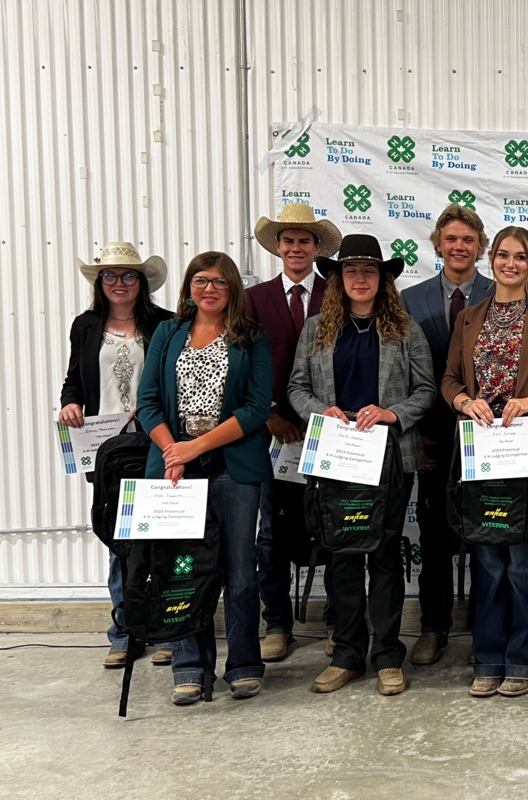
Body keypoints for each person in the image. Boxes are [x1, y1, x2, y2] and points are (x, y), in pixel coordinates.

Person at [287, 234, 435, 696]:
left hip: (389, 456)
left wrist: (393, 414)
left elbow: (426, 390)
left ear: (383, 279)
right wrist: (320, 411)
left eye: (369, 270)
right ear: (337, 278)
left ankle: (388, 654)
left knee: (385, 555)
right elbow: (295, 388)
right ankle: (348, 653)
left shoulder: (406, 329)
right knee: (342, 557)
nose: (360, 278)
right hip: (335, 455)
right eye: (351, 270)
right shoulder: (316, 330)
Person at [442, 226, 528, 699]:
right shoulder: (469, 317)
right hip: (482, 452)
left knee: (522, 560)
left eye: (520, 257)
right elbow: (449, 380)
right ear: (491, 259)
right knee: (487, 557)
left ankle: (524, 660)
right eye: (503, 255)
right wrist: (464, 401)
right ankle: (488, 658)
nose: (510, 264)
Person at [136, 251, 272, 705]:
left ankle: (244, 664)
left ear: (232, 288)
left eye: (218, 281)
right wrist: (172, 450)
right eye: (199, 280)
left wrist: (196, 446)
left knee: (239, 572)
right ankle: (189, 665)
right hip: (175, 469)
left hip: (233, 466)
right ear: (188, 287)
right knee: (182, 570)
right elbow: (150, 401)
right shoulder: (167, 333)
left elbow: (255, 408)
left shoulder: (250, 338)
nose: (208, 288)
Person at [60, 242, 173, 669]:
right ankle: (125, 632)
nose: (119, 283)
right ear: (99, 282)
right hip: (105, 447)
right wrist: (70, 402)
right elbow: (74, 379)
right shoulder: (85, 326)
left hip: (155, 442)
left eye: (128, 276)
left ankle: (165, 628)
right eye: (110, 275)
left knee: (163, 535)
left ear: (142, 283)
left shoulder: (164, 323)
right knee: (119, 541)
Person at [400, 204, 494, 666]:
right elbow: (400, 374)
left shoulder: (502, 295)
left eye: (469, 240)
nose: (459, 247)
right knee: (434, 536)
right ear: (438, 245)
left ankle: (484, 626)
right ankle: (433, 627)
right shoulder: (408, 300)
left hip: (489, 436)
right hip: (431, 437)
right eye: (451, 239)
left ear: (482, 248)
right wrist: (419, 433)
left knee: (487, 531)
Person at [247, 203, 342, 663]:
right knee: (272, 533)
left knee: (332, 526)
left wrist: (325, 416)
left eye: (305, 241)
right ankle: (277, 623)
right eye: (289, 240)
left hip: (329, 427)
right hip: (271, 432)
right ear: (278, 247)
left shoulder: (338, 293)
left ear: (317, 248)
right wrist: (268, 415)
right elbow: (241, 363)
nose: (296, 248)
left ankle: (336, 621)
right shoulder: (254, 299)